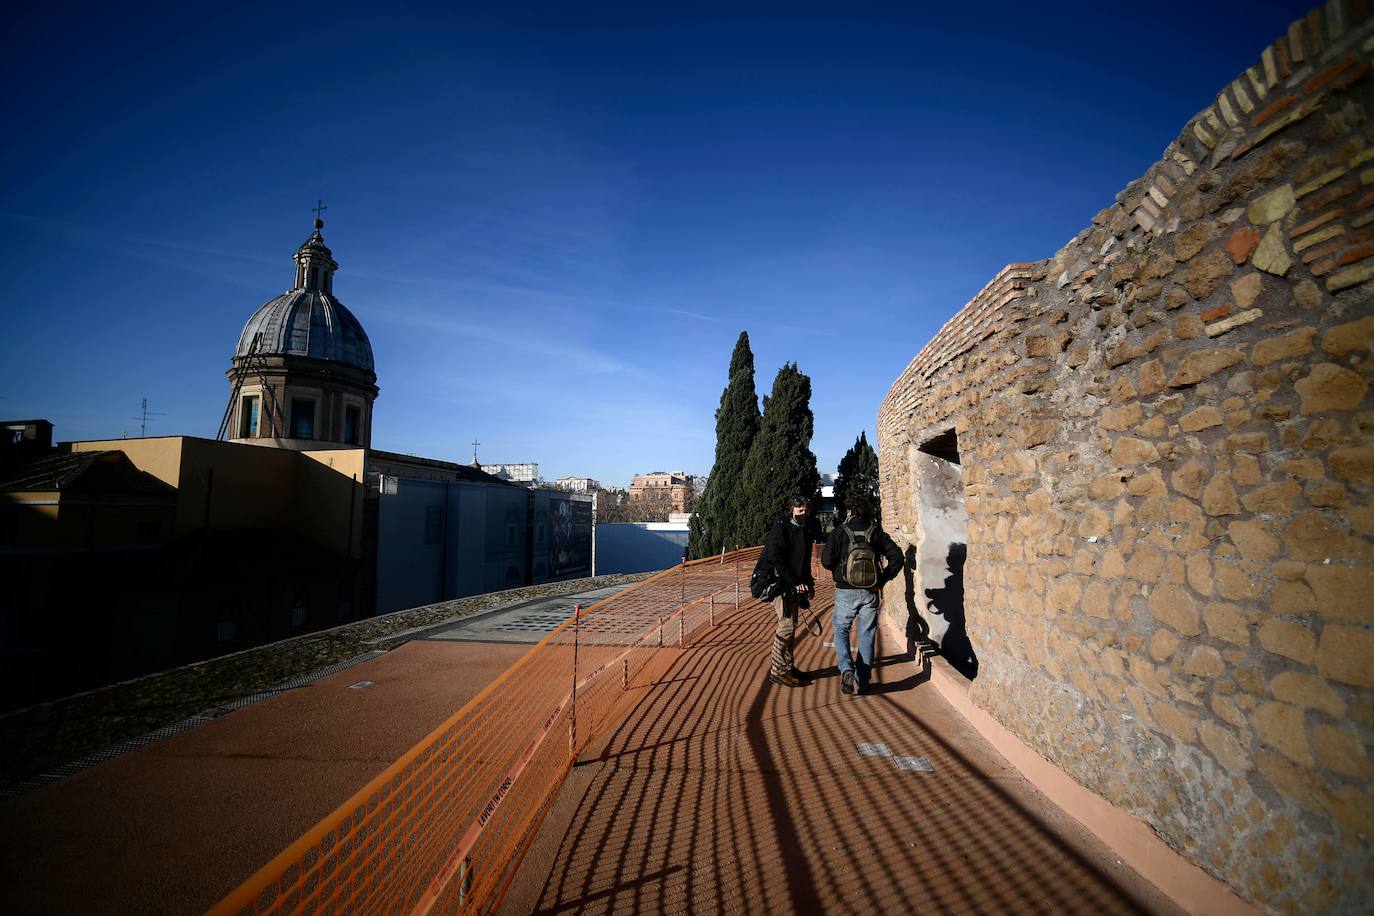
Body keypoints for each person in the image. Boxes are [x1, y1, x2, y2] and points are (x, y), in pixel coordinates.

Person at [821, 494, 903, 696]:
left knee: (841, 630)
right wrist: (882, 580)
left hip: (845, 591)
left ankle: (846, 668)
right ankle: (864, 681)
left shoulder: (840, 532)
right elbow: (897, 557)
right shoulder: (875, 532)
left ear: (849, 511)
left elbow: (826, 561)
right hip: (870, 591)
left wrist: (840, 569)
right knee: (867, 634)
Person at [762, 495, 818, 688]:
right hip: (781, 584)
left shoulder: (803, 530)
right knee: (786, 626)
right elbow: (776, 558)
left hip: (795, 584)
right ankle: (777, 671)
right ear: (792, 510)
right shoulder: (782, 529)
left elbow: (804, 560)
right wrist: (794, 582)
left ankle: (787, 666)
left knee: (791, 626)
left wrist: (808, 583)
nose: (804, 514)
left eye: (806, 511)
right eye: (800, 511)